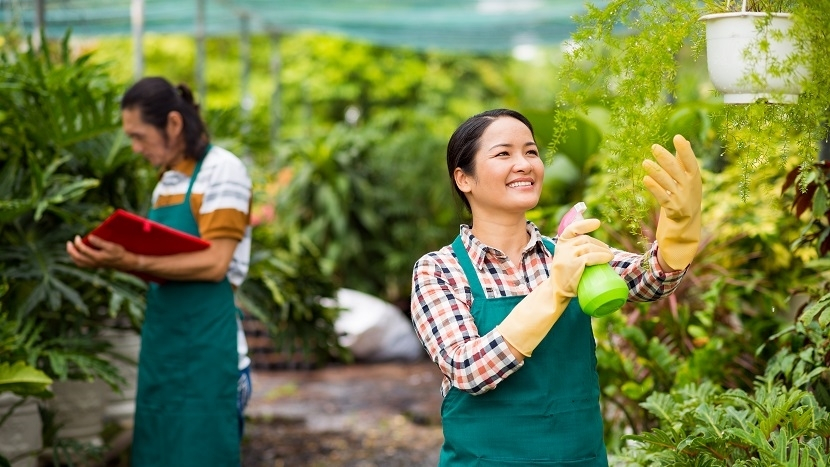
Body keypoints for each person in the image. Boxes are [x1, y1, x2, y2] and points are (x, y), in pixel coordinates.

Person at [410, 109, 702, 466]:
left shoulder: (566, 252)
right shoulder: (440, 270)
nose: (524, 164)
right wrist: (556, 290)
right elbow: (468, 370)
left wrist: (681, 230)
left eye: (531, 152)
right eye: (504, 153)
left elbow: (651, 277)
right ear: (463, 178)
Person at [66, 77, 253, 466]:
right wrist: (106, 257)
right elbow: (168, 264)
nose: (134, 148)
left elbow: (216, 262)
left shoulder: (223, 170)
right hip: (163, 349)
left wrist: (130, 261)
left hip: (208, 353)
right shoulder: (167, 182)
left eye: (139, 136)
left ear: (172, 123)